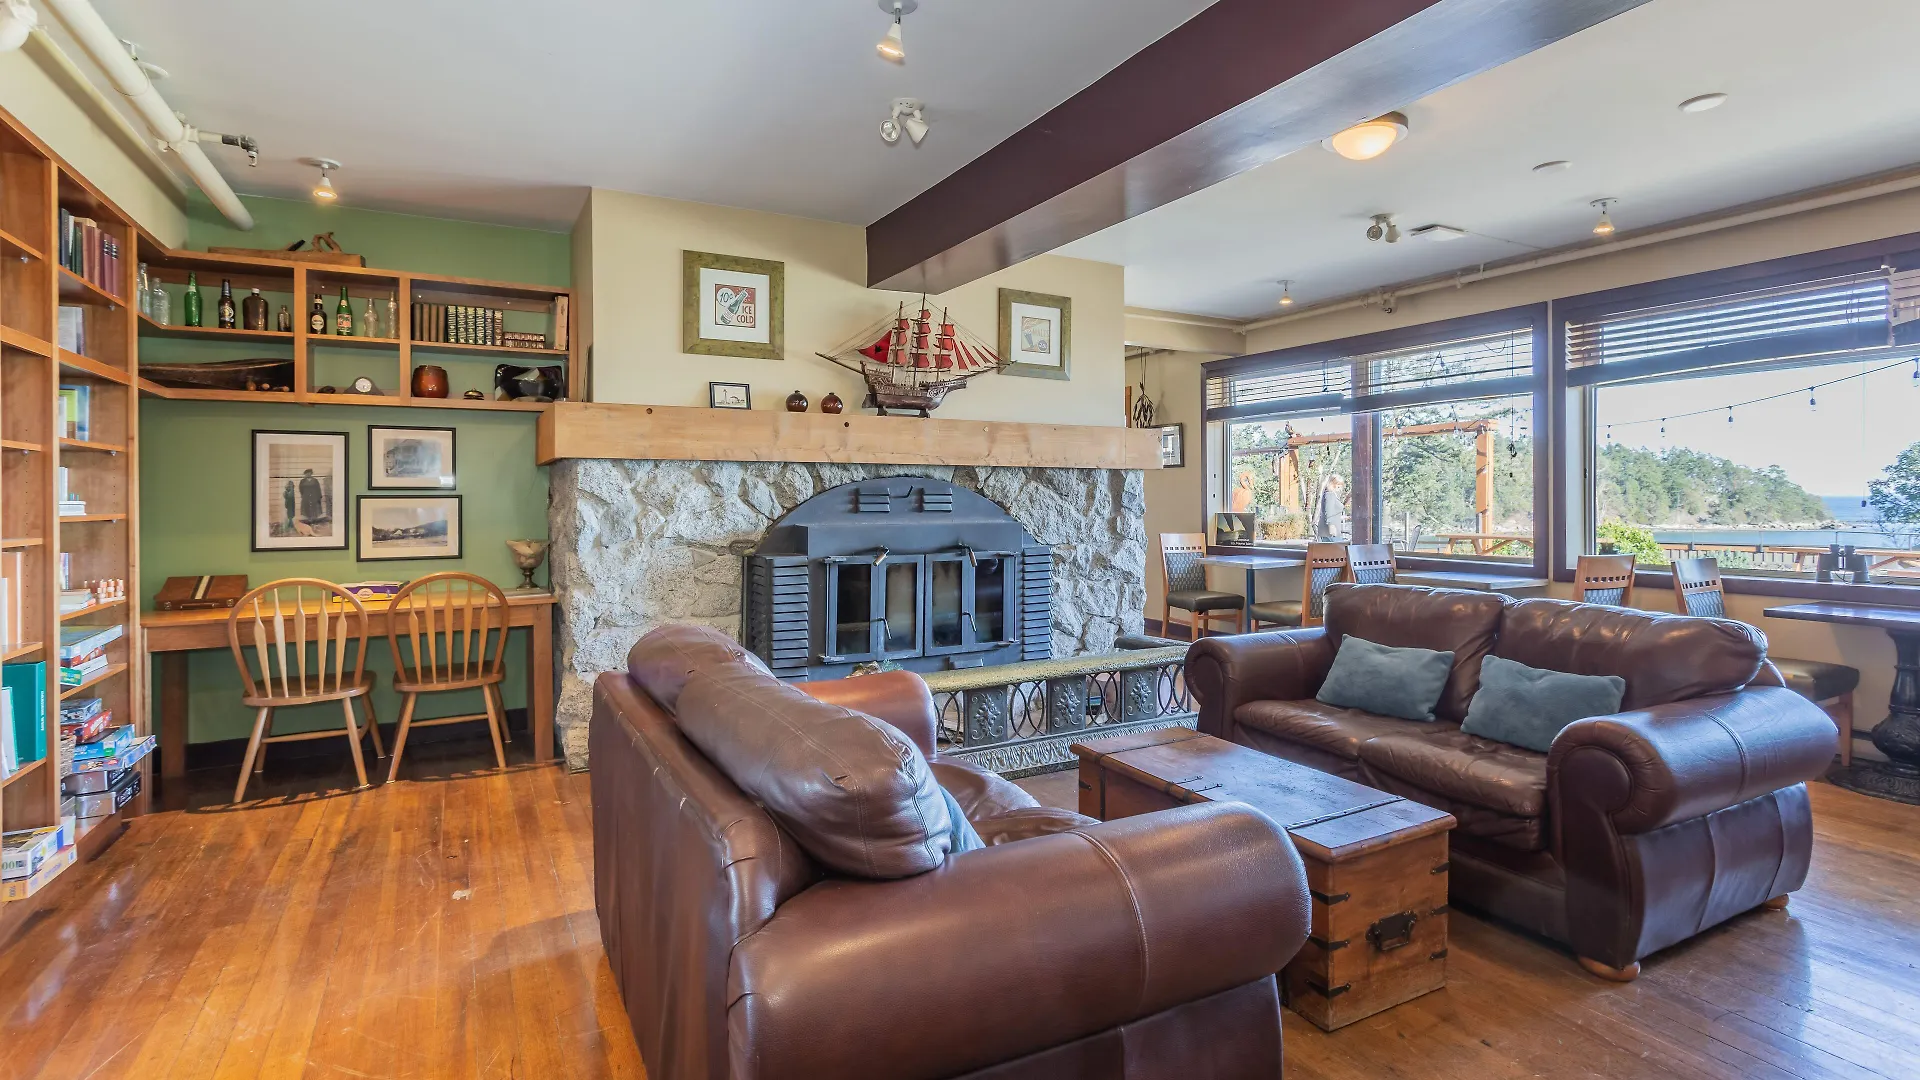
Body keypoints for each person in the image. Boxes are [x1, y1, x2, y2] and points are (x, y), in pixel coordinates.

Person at [1315, 473, 1346, 540]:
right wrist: (1331, 525)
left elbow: (1332, 513)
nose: (1339, 487)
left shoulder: (1330, 494)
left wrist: (1344, 517)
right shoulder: (1330, 495)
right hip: (1330, 532)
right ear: (1332, 483)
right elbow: (1328, 511)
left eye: (1340, 484)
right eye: (1337, 484)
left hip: (1329, 531)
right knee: (1336, 546)